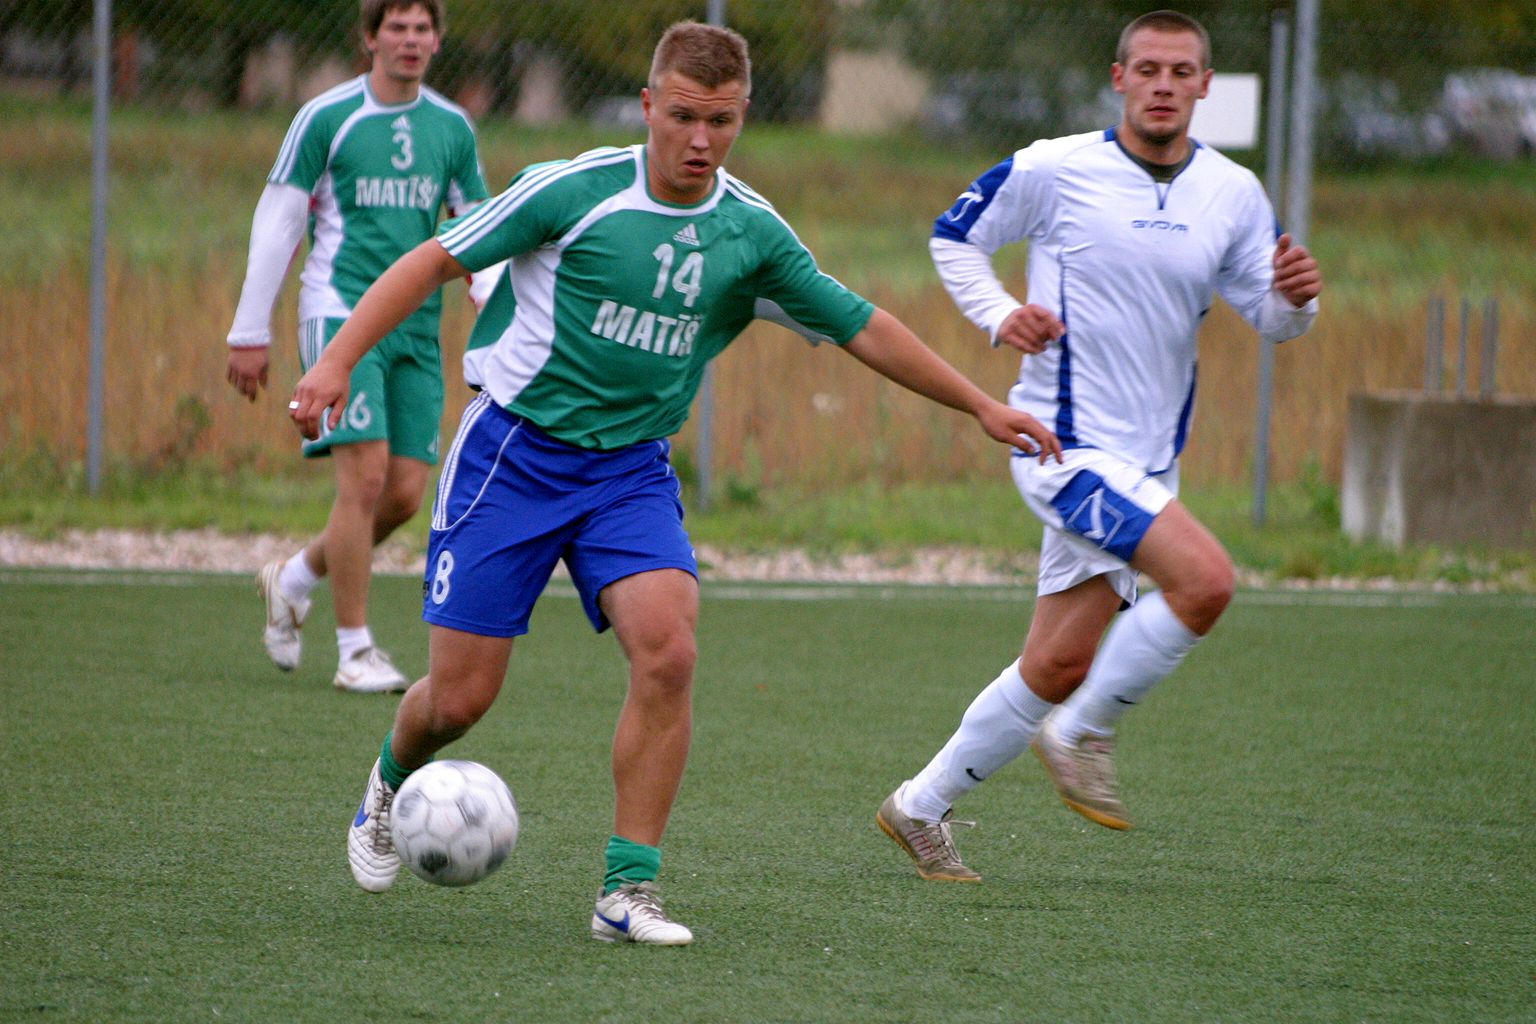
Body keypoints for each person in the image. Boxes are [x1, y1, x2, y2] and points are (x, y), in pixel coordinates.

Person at [288, 21, 1062, 944]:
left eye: (722, 121)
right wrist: (335, 361)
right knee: (459, 701)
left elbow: (862, 325)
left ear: (743, 118)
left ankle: (628, 891)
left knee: (670, 652)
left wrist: (980, 405)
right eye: (684, 116)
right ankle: (387, 784)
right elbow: (432, 260)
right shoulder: (573, 190)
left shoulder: (751, 231)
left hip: (630, 473)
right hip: (512, 458)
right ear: (649, 105)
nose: (701, 139)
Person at [877, 9, 1323, 882]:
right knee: (1207, 581)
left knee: (1058, 661)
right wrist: (1003, 314)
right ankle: (1082, 732)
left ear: (1204, 85)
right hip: (1065, 451)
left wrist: (1297, 301)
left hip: (1148, 466)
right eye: (1147, 68)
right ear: (1119, 78)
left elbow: (1270, 316)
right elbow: (953, 236)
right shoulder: (1057, 167)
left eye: (1181, 71)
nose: (1163, 84)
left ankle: (918, 808)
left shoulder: (1232, 191)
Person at [225, 0, 498, 693]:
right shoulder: (327, 117)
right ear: (370, 37)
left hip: (417, 326)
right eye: (396, 27)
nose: (410, 40)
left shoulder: (451, 127)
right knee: (366, 479)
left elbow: (478, 226)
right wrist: (249, 330)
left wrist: (493, 306)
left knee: (404, 494)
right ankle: (355, 650)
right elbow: (280, 219)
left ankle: (293, 579)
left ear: (437, 40)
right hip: (339, 317)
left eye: (422, 28)